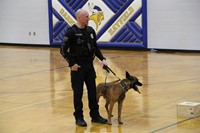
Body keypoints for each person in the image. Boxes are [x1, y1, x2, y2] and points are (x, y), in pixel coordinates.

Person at [60, 9, 108, 127]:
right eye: (86, 16)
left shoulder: (90, 31)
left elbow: (95, 47)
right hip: (78, 68)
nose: (89, 18)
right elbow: (62, 50)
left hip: (89, 67)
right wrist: (72, 64)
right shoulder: (71, 32)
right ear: (80, 18)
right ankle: (79, 117)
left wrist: (103, 59)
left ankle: (95, 116)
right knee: (78, 93)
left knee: (93, 92)